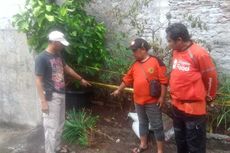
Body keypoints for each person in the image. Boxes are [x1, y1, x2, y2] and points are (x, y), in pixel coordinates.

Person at [35, 31, 91, 153]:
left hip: (61, 94)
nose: (63, 46)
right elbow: (38, 81)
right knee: (51, 128)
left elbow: (67, 68)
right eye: (61, 44)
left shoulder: (58, 55)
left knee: (60, 125)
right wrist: (43, 101)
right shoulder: (41, 58)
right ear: (55, 43)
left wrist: (80, 79)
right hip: (50, 97)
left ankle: (57, 148)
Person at [166, 23, 218, 153]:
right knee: (180, 142)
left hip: (193, 110)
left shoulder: (199, 54)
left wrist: (210, 97)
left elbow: (211, 77)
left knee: (195, 147)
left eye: (169, 41)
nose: (168, 44)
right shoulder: (175, 51)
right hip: (177, 107)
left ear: (179, 40)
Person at [111, 38, 168, 153]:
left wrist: (162, 97)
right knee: (142, 122)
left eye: (134, 50)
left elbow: (164, 81)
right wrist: (118, 90)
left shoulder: (156, 62)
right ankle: (143, 144)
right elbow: (127, 79)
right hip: (138, 101)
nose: (133, 53)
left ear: (143, 49)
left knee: (157, 125)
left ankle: (160, 150)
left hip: (152, 102)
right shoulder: (135, 65)